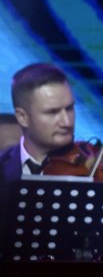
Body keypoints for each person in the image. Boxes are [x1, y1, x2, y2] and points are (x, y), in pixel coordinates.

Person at [0, 63, 77, 243]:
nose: (66, 122)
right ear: (23, 117)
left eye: (69, 108)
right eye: (52, 112)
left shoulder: (92, 166)